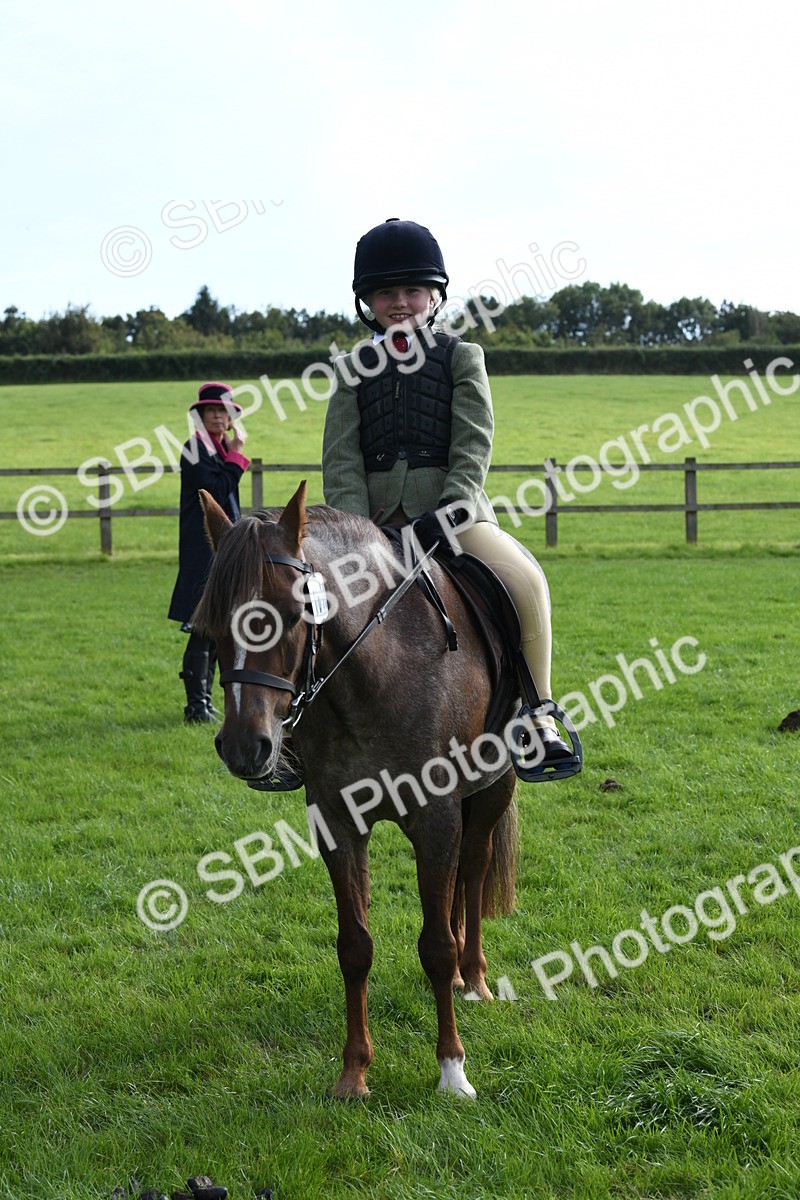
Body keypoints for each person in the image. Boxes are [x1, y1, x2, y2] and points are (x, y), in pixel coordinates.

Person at [322, 218, 578, 781]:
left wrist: (450, 511)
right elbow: (341, 458)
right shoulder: (349, 372)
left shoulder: (463, 357)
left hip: (455, 518)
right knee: (312, 602)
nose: (399, 302)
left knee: (527, 580)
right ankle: (301, 732)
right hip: (372, 524)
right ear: (367, 300)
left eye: (412, 290)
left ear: (435, 295)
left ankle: (539, 715)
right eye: (386, 292)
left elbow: (473, 443)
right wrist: (357, 528)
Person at [168, 381, 250, 723]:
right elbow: (215, 491)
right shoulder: (195, 448)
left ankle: (205, 703)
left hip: (220, 547)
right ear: (200, 416)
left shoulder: (215, 449)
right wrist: (237, 456)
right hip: (203, 548)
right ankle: (196, 706)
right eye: (212, 411)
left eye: (224, 412)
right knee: (203, 625)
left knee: (217, 624)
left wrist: (230, 455)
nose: (218, 416)